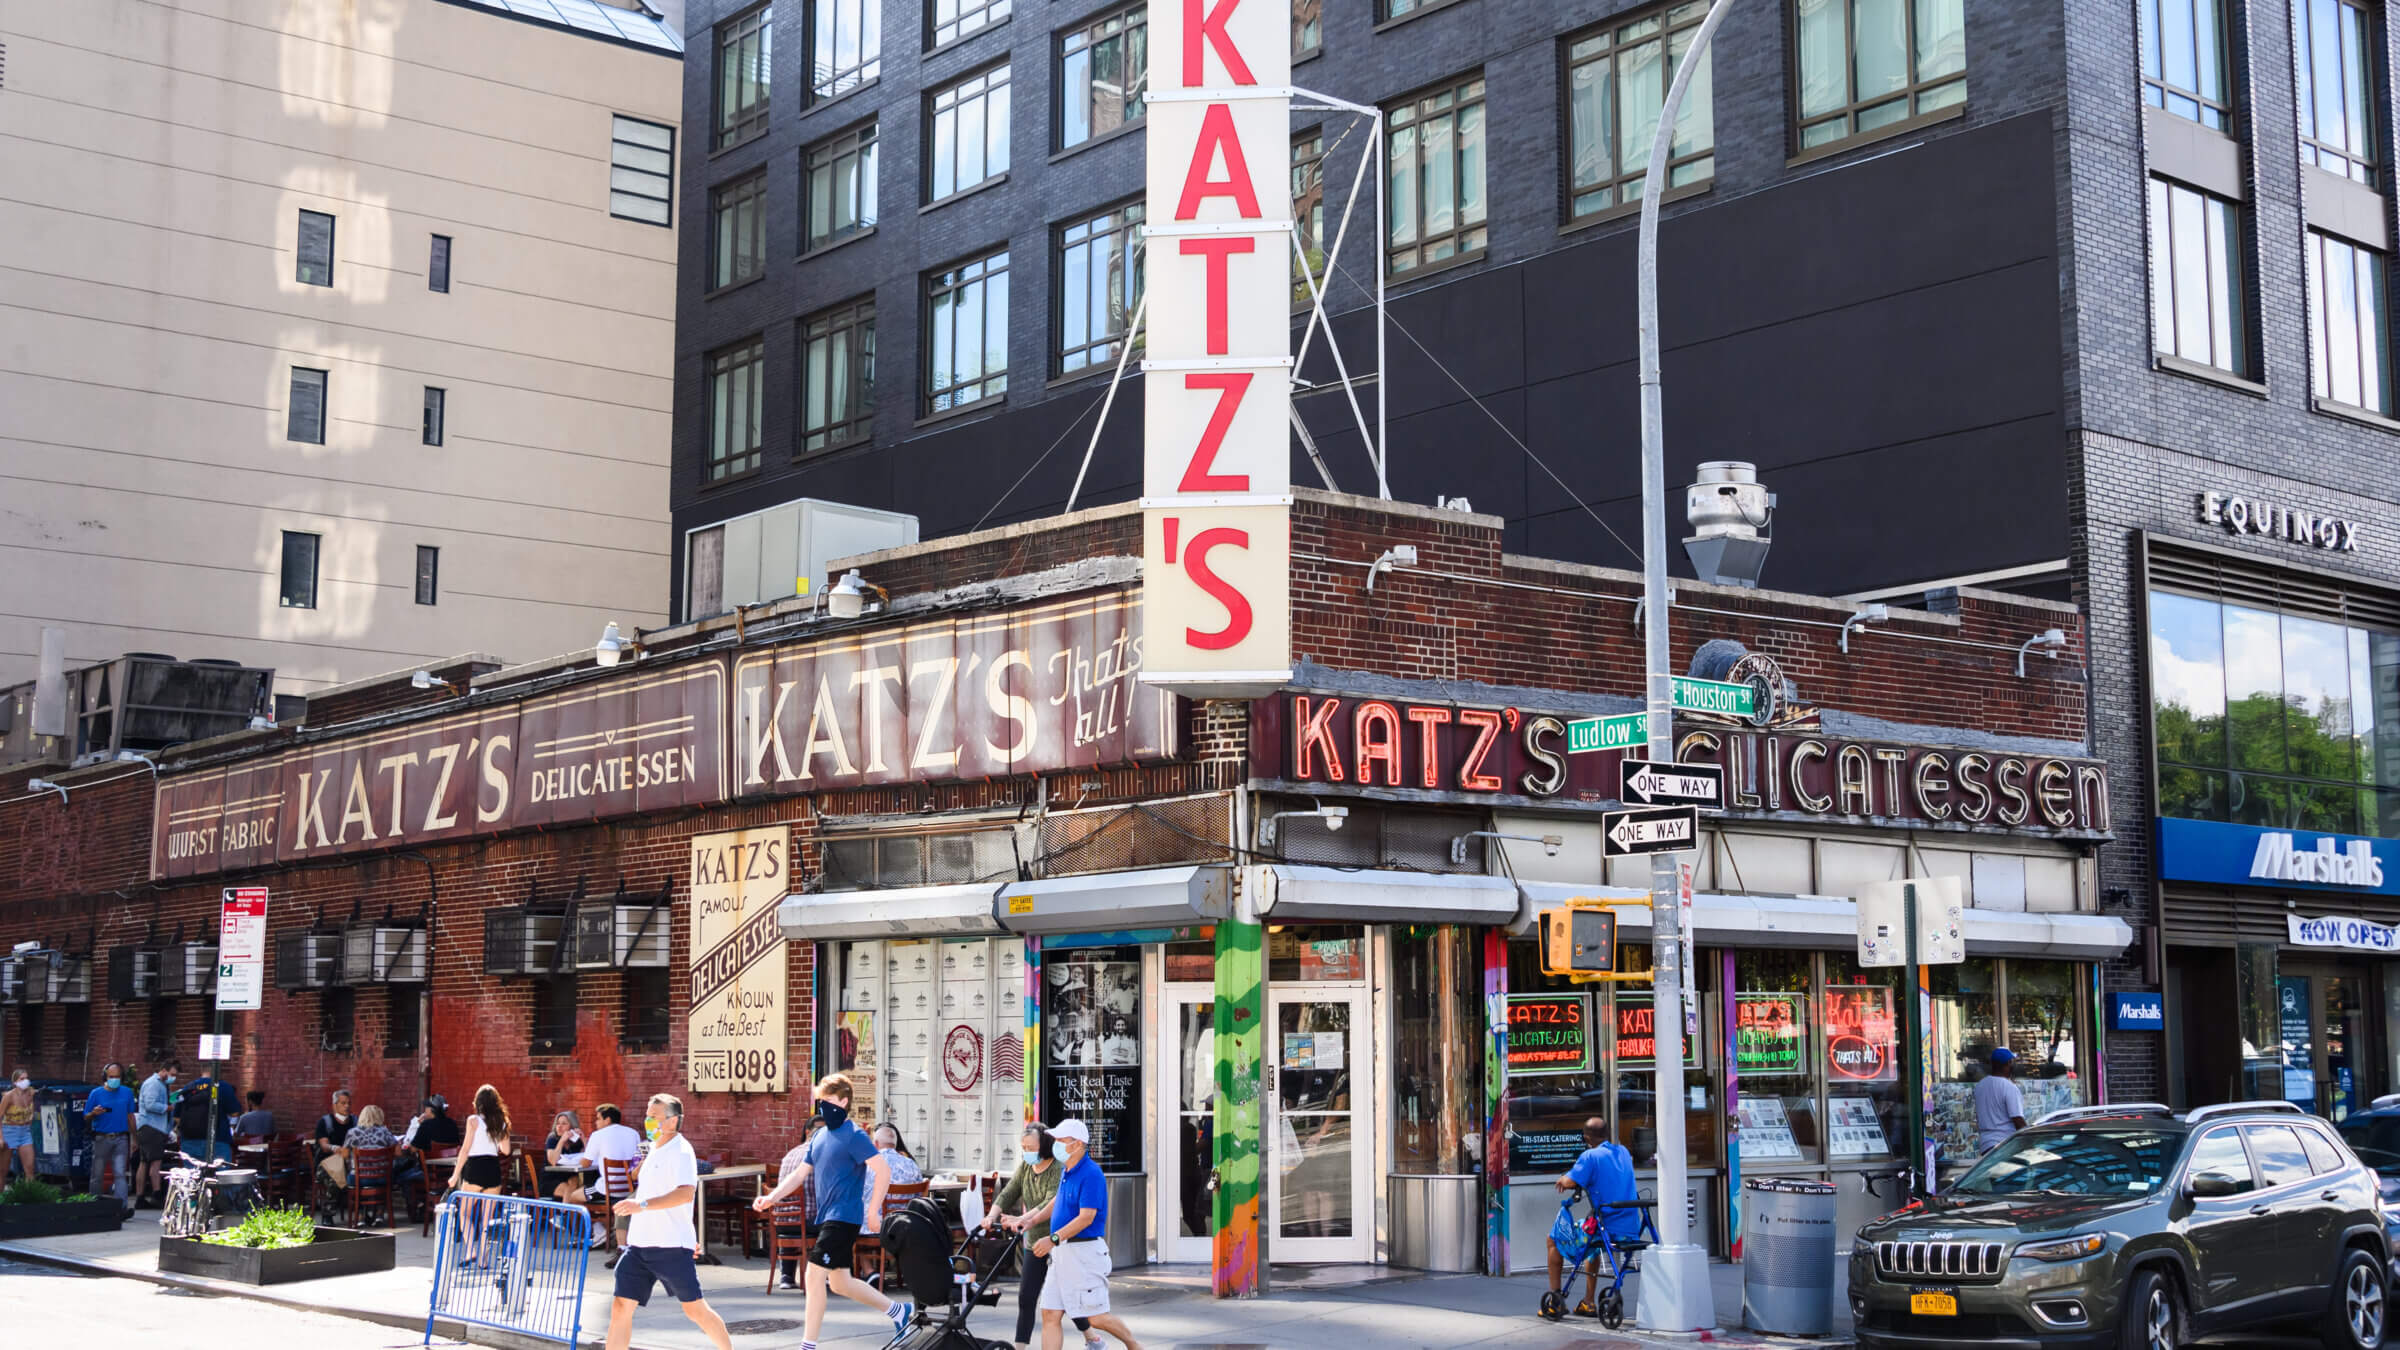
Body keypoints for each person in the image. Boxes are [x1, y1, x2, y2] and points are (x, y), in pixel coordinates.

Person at [750, 1073, 911, 1350]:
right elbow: (800, 1174)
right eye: (820, 1101)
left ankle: (808, 1345)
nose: (823, 1106)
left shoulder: (856, 1136)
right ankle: (899, 1312)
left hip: (844, 1216)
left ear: (844, 1101)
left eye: (828, 1100)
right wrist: (772, 1197)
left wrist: (873, 1211)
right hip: (827, 1217)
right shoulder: (820, 1135)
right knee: (840, 1283)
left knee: (813, 1276)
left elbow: (883, 1171)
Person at [603, 1093, 733, 1350]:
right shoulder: (653, 1148)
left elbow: (685, 1193)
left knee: (695, 1310)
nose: (647, 1121)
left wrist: (640, 1205)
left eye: (654, 1117)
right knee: (620, 1308)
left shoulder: (682, 1151)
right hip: (639, 1247)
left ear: (673, 1121)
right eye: (647, 1115)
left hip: (671, 1247)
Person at [980, 1122, 1096, 1350]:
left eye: (1030, 1147)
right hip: (1034, 1242)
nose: (1026, 1151)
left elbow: (1050, 1202)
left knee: (1066, 1298)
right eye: (1023, 1147)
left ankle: (1092, 1337)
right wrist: (990, 1216)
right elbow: (1008, 1193)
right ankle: (1020, 1346)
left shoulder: (1058, 1168)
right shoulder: (1025, 1166)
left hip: (1058, 1242)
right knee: (1026, 1297)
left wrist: (1025, 1220)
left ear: (1043, 1145)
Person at [1032, 1119, 1139, 1350]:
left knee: (1095, 1317)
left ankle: (1133, 1345)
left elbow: (1086, 1217)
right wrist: (1030, 1220)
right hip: (1063, 1253)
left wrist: (1052, 1239)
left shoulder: (1091, 1174)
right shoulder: (1067, 1170)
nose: (1056, 1144)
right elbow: (1058, 1202)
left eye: (1061, 1140)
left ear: (1078, 1144)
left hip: (1084, 1253)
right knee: (1050, 1313)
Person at [1546, 1118, 1640, 1319]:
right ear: (1606, 1134)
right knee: (1591, 1242)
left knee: (1553, 1240)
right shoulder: (1623, 1152)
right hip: (1629, 1228)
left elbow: (1571, 1181)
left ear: (1586, 1138)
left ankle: (1555, 1300)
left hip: (1607, 1227)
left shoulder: (1589, 1156)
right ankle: (1587, 1301)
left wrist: (1563, 1178)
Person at [579, 1103, 647, 1254]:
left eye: (598, 1119)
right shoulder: (633, 1133)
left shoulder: (598, 1135)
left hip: (608, 1189)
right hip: (630, 1188)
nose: (596, 1123)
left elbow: (585, 1163)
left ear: (607, 1120)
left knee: (573, 1197)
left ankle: (598, 1232)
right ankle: (607, 1232)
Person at [84, 1063, 136, 1215]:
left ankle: (121, 1207)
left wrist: (134, 1138)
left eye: (117, 1077)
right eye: (111, 1077)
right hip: (102, 1137)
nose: (114, 1079)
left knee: (120, 1173)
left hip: (121, 1137)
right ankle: (94, 1204)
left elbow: (130, 1116)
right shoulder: (96, 1093)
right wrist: (94, 1113)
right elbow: (86, 1116)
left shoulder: (127, 1093)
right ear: (105, 1077)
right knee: (97, 1174)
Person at [134, 1057, 180, 1206]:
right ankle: (156, 1194)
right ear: (164, 1070)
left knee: (144, 1161)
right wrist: (167, 1107)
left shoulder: (160, 1084)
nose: (173, 1077)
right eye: (172, 1074)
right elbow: (150, 1104)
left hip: (150, 1127)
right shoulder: (153, 1084)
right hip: (153, 1127)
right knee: (155, 1163)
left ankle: (140, 1196)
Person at [1973, 1047, 2028, 1152]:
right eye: (2012, 1062)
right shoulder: (2009, 1087)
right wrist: (2030, 1141)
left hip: (1986, 1145)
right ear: (2008, 1064)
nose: (2013, 1065)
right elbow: (2018, 1120)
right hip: (2004, 1145)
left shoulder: (1980, 1086)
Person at [174, 1070, 237, 1162]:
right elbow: (234, 1113)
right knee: (220, 1174)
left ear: (201, 1070)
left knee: (192, 1174)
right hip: (218, 1140)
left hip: (190, 1140)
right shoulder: (223, 1086)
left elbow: (176, 1117)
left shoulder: (187, 1088)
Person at [314, 1089, 356, 1191]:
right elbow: (324, 1146)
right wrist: (334, 1148)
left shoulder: (355, 1121)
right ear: (334, 1105)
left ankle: (355, 1204)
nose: (347, 1106)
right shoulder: (325, 1122)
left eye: (349, 1103)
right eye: (343, 1103)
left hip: (350, 1162)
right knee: (336, 1174)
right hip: (328, 1162)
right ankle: (333, 1205)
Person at [547, 1110, 591, 1202]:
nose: (559, 1127)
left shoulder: (576, 1142)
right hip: (552, 1178)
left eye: (564, 1124)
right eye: (558, 1123)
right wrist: (562, 1141)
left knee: (575, 1182)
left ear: (572, 1127)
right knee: (572, 1189)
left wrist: (583, 1139)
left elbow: (589, 1157)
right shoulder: (552, 1139)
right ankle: (565, 1214)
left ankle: (568, 1214)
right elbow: (553, 1161)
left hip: (570, 1177)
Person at [3, 1069, 36, 1184]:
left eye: (26, 1078)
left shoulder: (30, 1093)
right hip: (9, 1131)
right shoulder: (8, 1096)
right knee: (3, 1170)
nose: (25, 1081)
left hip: (25, 1131)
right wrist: (1, 1138)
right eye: (21, 1079)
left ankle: (29, 1196)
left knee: (30, 1168)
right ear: (15, 1082)